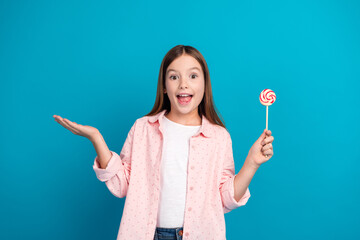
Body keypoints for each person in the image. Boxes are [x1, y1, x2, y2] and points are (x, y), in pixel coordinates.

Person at [53, 45, 274, 240]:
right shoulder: (143, 129)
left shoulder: (218, 137)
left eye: (193, 76)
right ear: (164, 86)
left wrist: (252, 163)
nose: (183, 84)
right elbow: (121, 186)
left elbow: (225, 199)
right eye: (174, 76)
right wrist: (96, 138)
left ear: (205, 85)